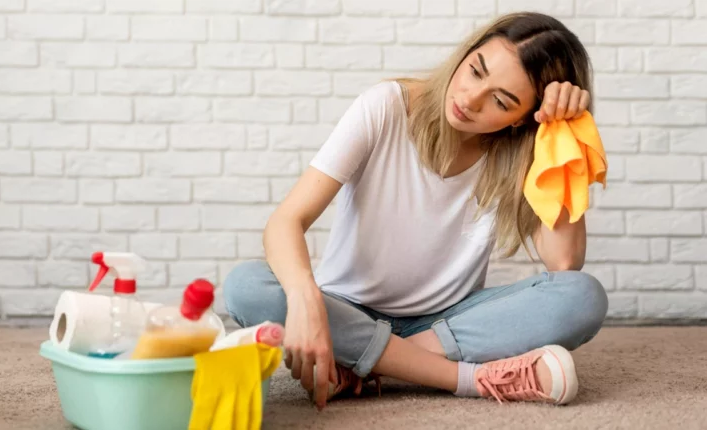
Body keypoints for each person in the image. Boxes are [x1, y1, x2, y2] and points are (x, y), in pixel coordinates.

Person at [223, 11, 608, 410]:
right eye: (475, 71)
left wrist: (562, 132)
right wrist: (306, 302)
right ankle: (471, 378)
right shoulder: (385, 107)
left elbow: (564, 260)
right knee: (247, 286)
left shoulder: (522, 151)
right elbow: (286, 221)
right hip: (347, 311)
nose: (469, 99)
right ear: (467, 53)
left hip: (445, 323)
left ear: (523, 119)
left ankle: (366, 362)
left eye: (500, 101)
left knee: (583, 297)